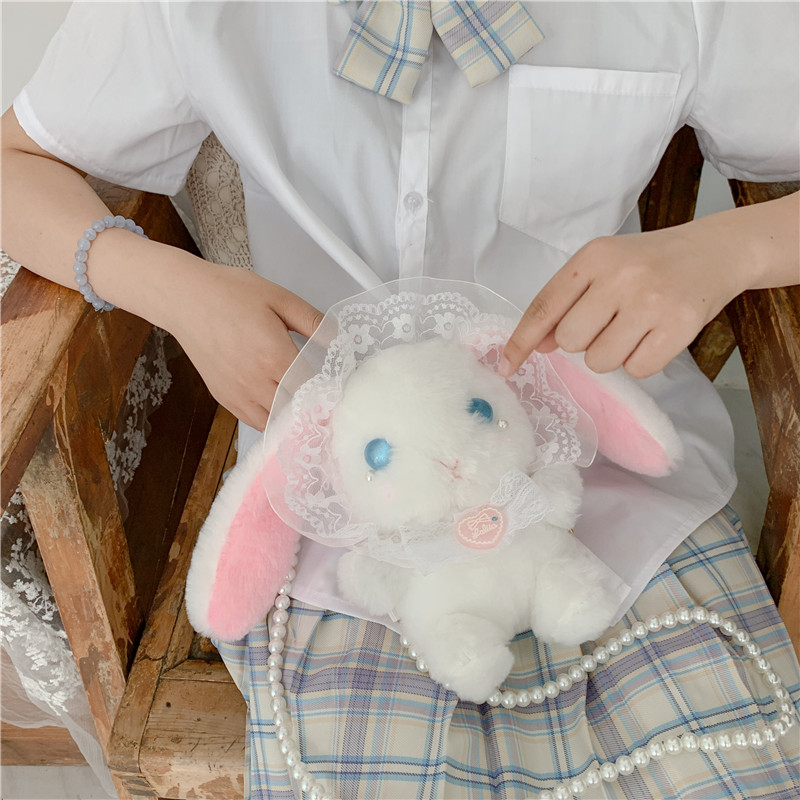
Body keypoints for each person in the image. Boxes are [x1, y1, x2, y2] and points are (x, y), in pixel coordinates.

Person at [2, 2, 798, 798]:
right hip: (339, 497)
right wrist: (178, 291)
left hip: (607, 464)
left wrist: (727, 249)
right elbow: (13, 165)